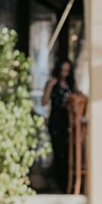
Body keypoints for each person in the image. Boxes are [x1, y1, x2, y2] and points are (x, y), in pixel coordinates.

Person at [42, 59, 75, 192]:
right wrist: (50, 86)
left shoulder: (71, 85)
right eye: (62, 70)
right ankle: (57, 182)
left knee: (68, 152)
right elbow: (44, 102)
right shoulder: (51, 83)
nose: (64, 74)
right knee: (58, 152)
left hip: (68, 121)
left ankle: (67, 183)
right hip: (56, 121)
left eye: (67, 71)